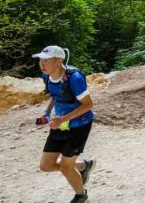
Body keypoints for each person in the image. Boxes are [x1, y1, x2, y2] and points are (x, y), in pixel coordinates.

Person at [34, 46, 96, 203]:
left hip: (79, 126)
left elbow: (88, 105)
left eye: (46, 60)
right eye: (41, 60)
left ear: (59, 60)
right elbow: (56, 96)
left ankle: (81, 196)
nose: (42, 64)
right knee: (46, 166)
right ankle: (83, 166)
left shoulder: (74, 78)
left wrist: (62, 119)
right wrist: (46, 113)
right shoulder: (47, 76)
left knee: (66, 167)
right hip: (60, 124)